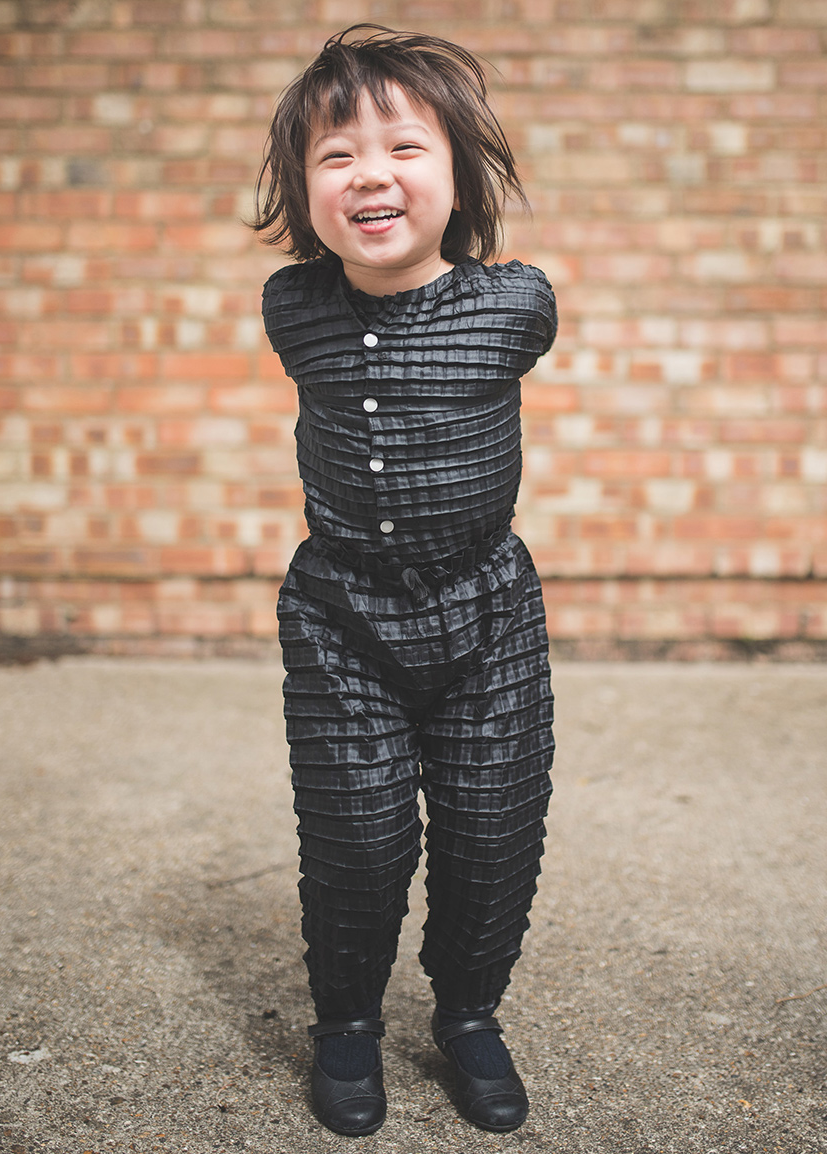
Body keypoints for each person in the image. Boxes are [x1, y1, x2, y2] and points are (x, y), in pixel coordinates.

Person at [253, 24, 557, 1137]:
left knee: (492, 825)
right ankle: (347, 1022)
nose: (369, 172)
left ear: (460, 176)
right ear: (302, 188)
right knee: (356, 830)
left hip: (487, 615)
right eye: (335, 155)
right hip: (341, 615)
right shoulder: (295, 310)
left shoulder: (514, 305)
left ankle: (469, 1015)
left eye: (403, 147)